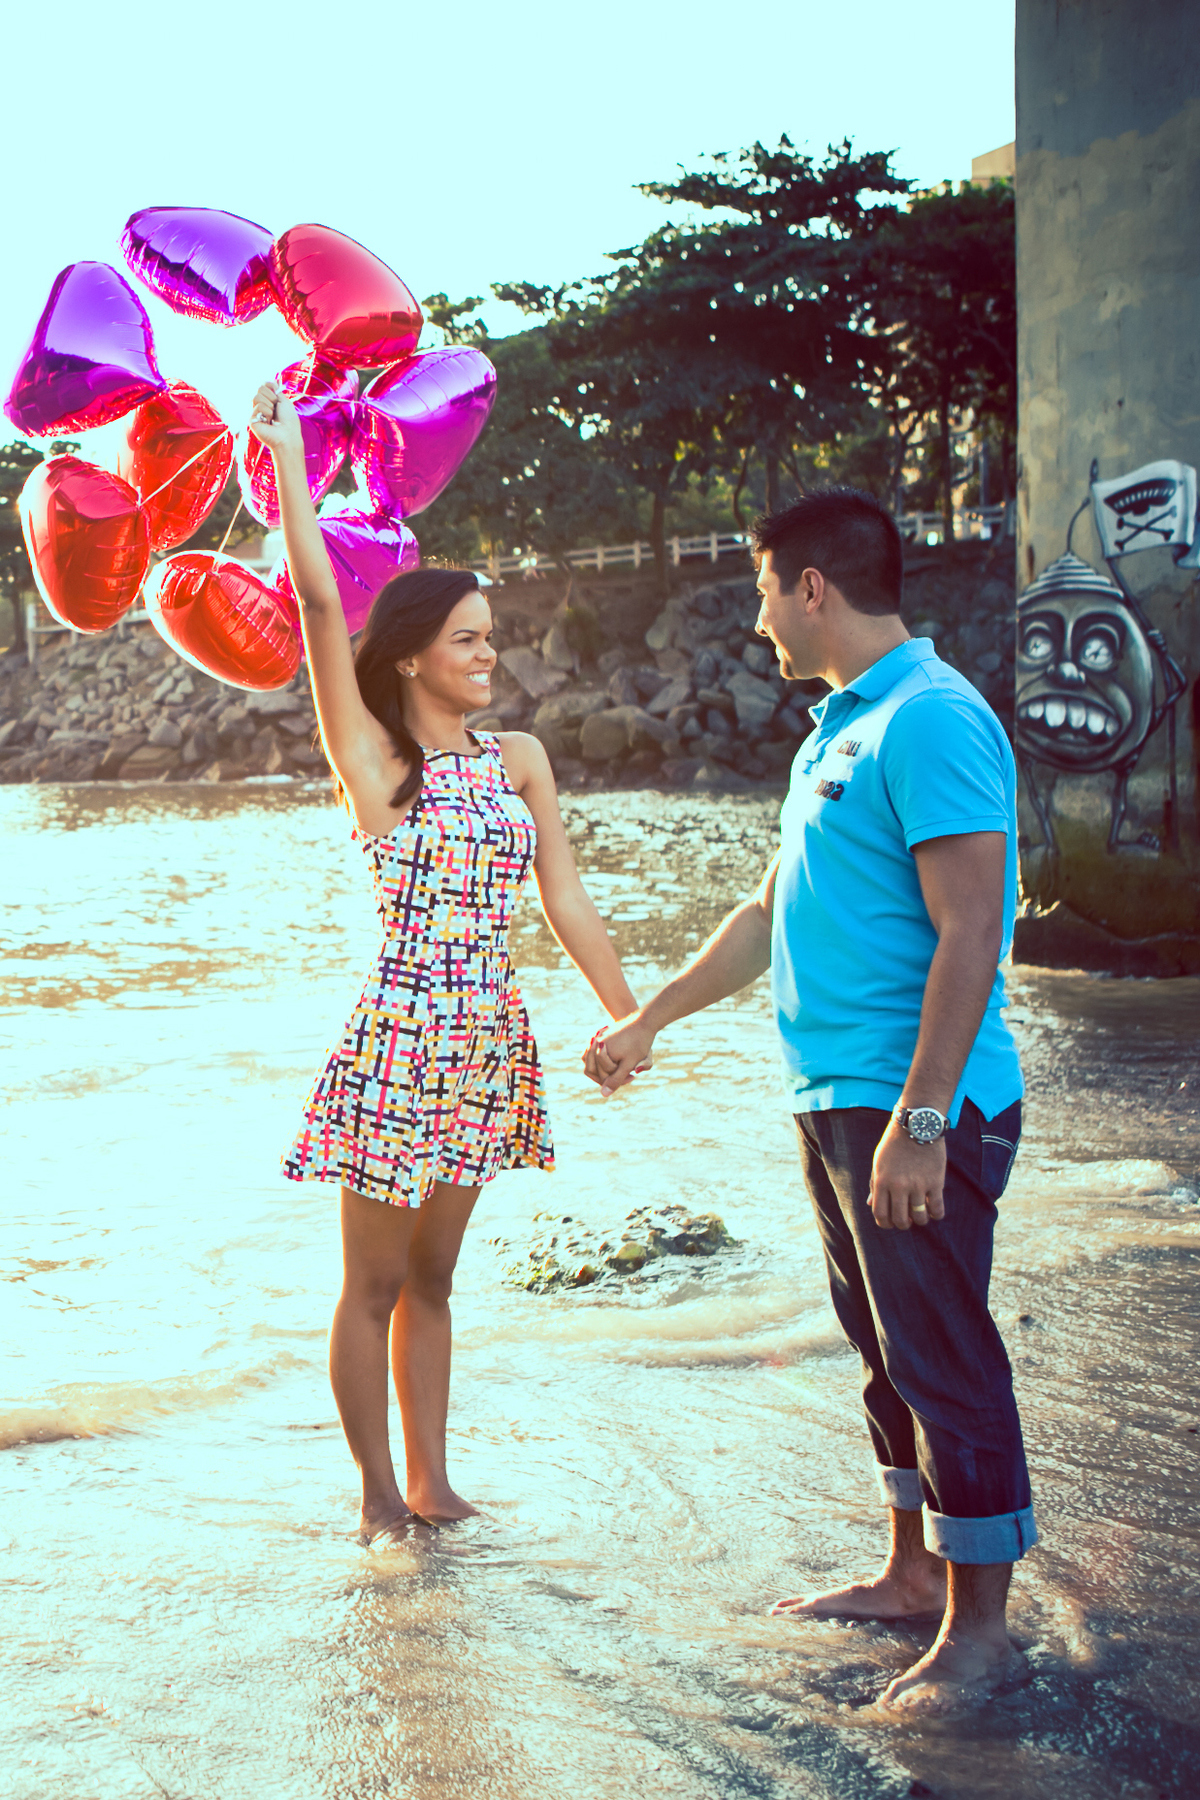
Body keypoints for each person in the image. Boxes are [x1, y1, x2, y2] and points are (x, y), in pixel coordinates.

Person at [584, 488, 1034, 1715]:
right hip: (836, 1099)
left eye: (769, 592)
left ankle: (981, 1631)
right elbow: (766, 917)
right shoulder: (834, 729)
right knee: (884, 1350)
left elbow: (970, 936)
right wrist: (648, 1020)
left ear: (814, 587)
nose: (763, 620)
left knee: (943, 1353)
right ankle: (907, 1574)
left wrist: (923, 1120)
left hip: (914, 1107)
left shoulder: (932, 722)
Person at [250, 381, 643, 1540]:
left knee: (436, 1281)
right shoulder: (374, 764)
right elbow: (324, 611)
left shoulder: (519, 758)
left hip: (486, 1035)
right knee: (370, 1284)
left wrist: (629, 1017)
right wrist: (284, 457)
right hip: (401, 1037)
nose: (491, 656)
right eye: (468, 639)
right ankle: (376, 1497)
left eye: (492, 637)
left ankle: (434, 1483)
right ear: (414, 657)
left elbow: (563, 894)